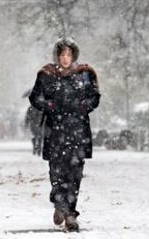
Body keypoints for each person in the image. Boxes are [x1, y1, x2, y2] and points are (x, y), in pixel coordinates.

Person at [29, 37, 100, 232]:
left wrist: (85, 105)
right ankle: (59, 204)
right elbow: (35, 98)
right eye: (62, 55)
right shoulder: (47, 75)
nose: (65, 58)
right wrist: (49, 105)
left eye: (69, 55)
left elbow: (95, 97)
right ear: (57, 56)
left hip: (77, 132)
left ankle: (70, 214)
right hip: (55, 132)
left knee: (74, 174)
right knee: (57, 172)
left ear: (74, 56)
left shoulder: (84, 74)